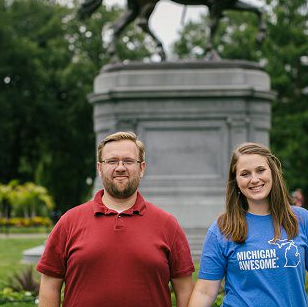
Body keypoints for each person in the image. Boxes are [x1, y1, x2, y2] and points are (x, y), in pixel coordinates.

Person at [36, 131, 195, 307]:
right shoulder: (69, 221)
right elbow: (50, 286)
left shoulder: (167, 224)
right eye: (112, 161)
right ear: (99, 168)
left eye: (128, 161)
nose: (120, 167)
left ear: (141, 168)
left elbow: (185, 290)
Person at [188, 143, 308, 307]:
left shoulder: (301, 219)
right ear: (236, 181)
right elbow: (205, 291)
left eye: (260, 170)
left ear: (272, 172)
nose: (254, 179)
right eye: (245, 174)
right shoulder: (222, 228)